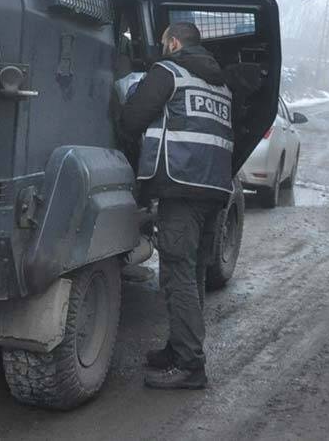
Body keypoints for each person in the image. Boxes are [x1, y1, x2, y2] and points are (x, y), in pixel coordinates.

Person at [120, 21, 234, 390]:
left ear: (172, 42)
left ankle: (189, 365)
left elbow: (132, 118)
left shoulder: (168, 72)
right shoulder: (220, 84)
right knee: (193, 274)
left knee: (177, 275)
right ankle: (178, 347)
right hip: (214, 190)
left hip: (181, 184)